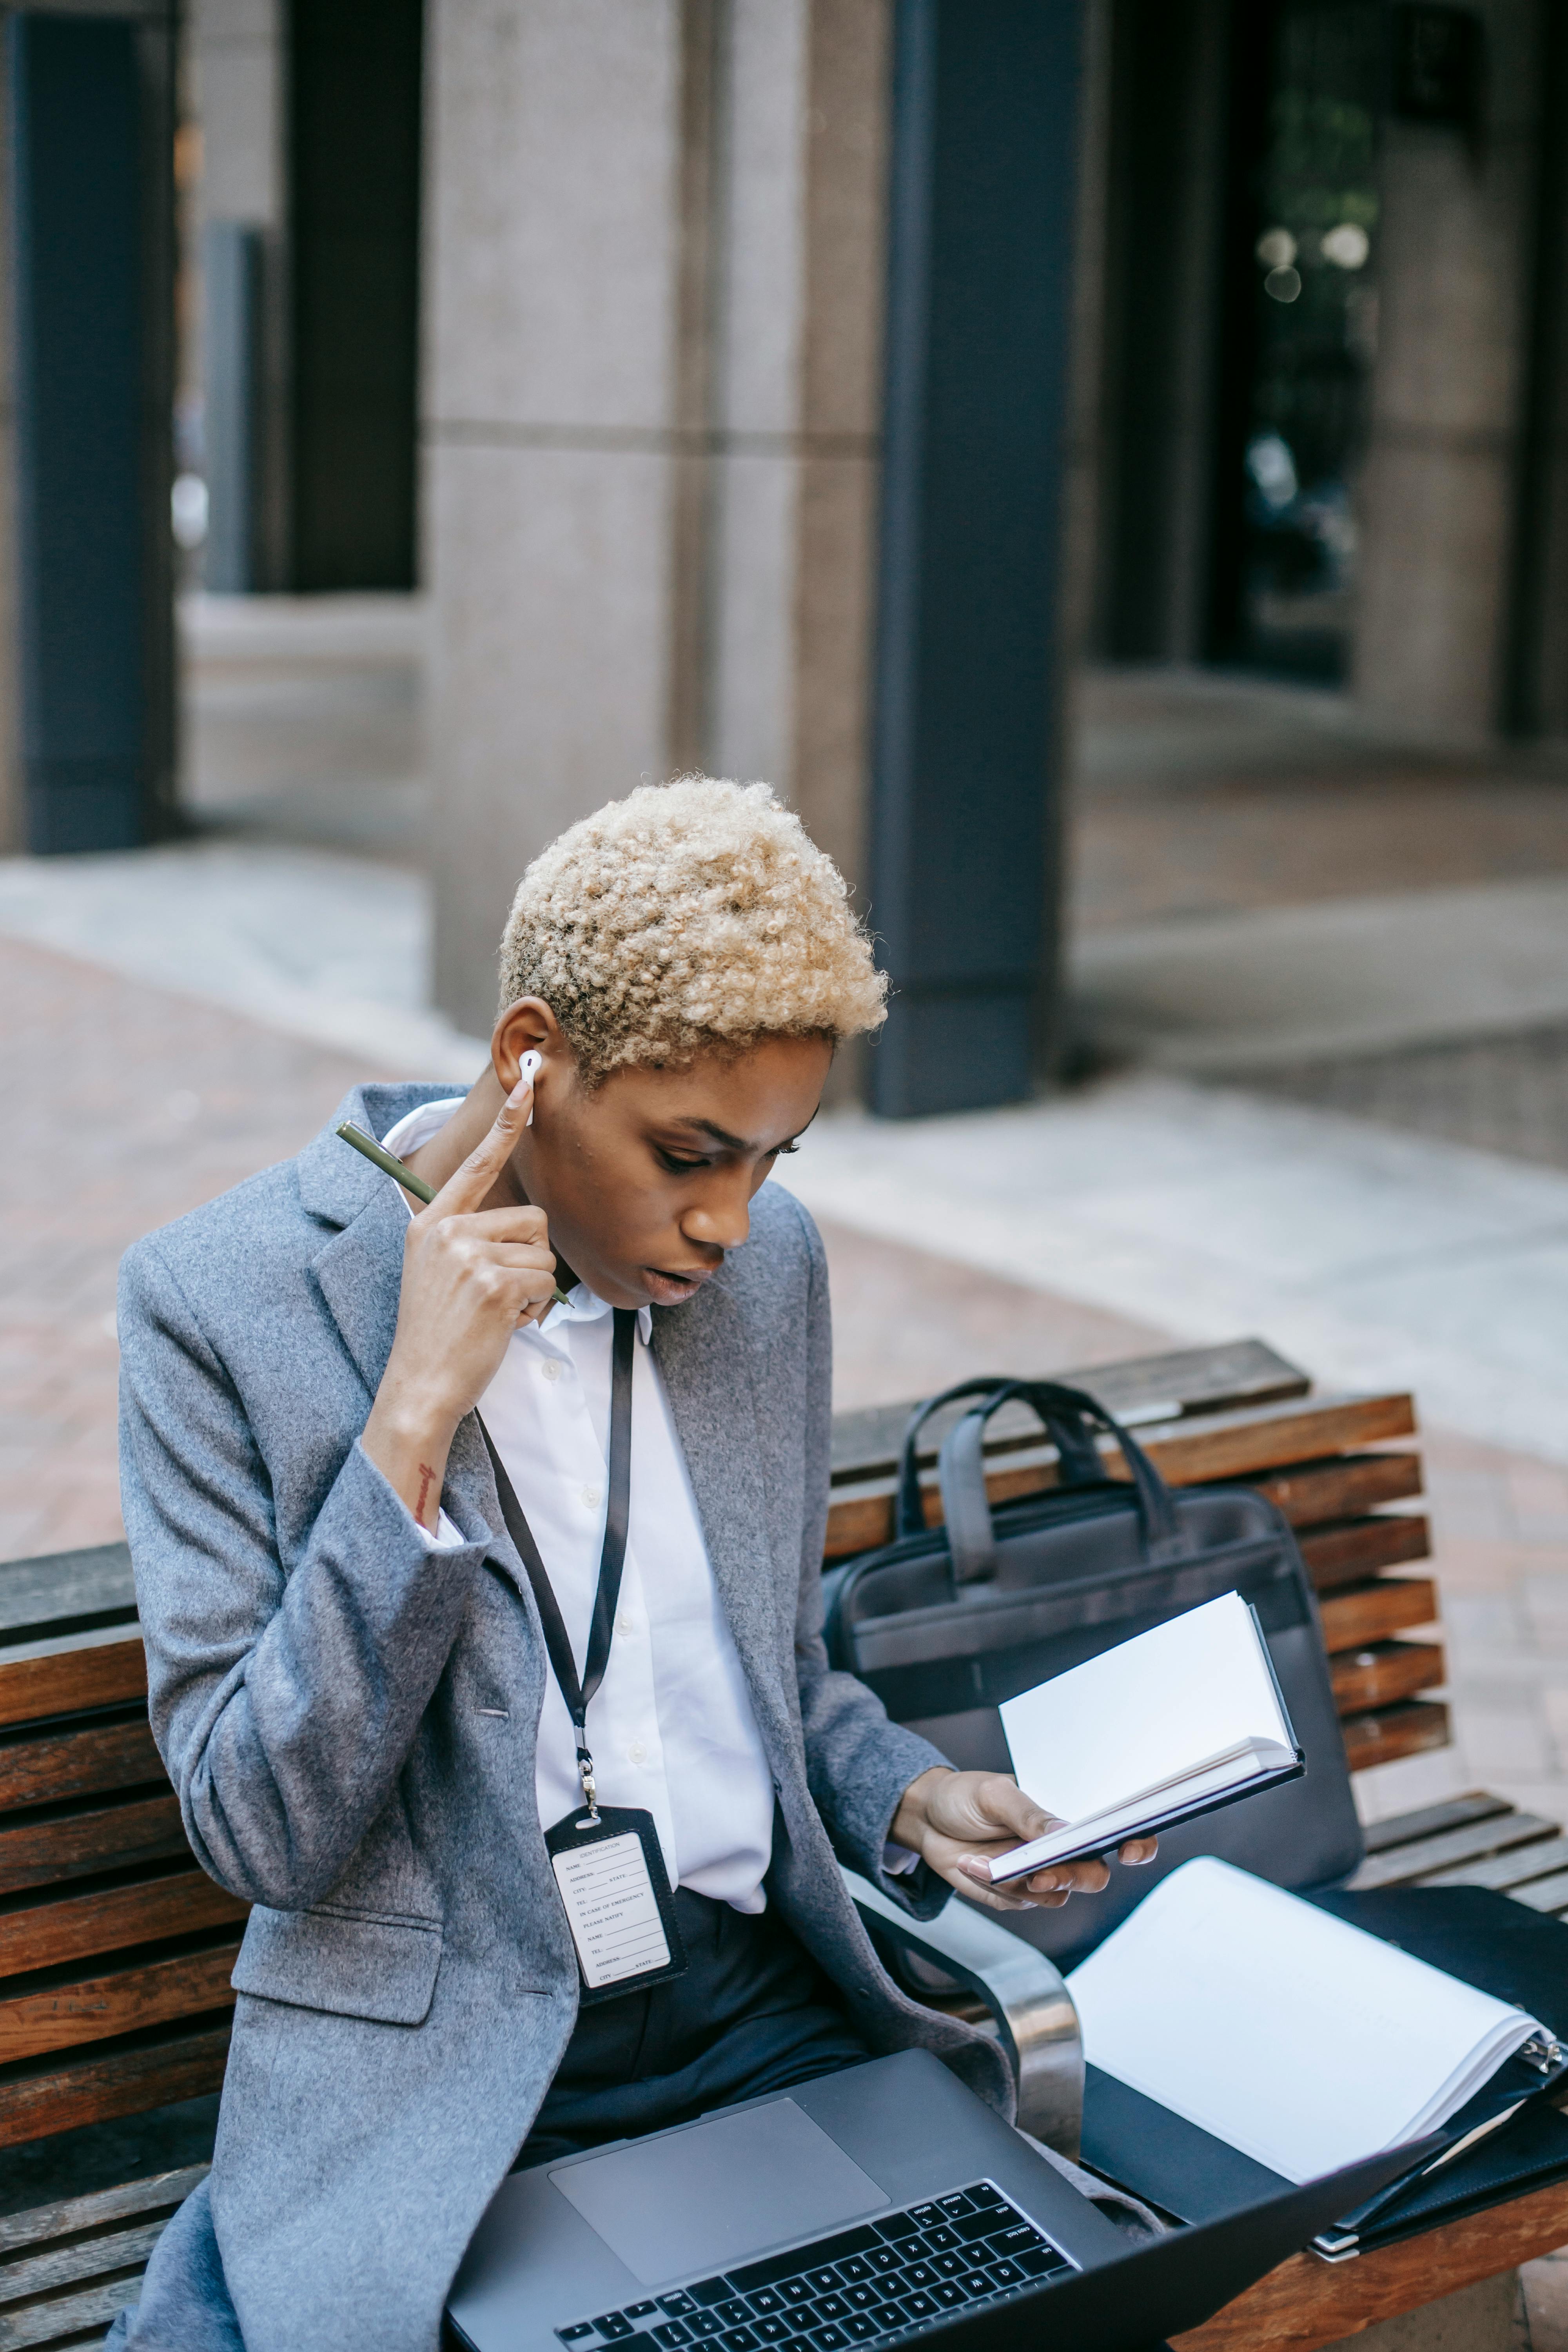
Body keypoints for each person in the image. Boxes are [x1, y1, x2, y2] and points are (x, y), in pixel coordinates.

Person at [109, 779, 1151, 2352]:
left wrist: (895, 1792)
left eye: (772, 1160)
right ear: (531, 1060)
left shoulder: (765, 1275)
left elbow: (768, 1658)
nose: (731, 1220)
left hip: (759, 2010)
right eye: (687, 1153)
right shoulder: (218, 1305)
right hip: (453, 2071)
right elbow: (259, 1830)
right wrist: (411, 1420)